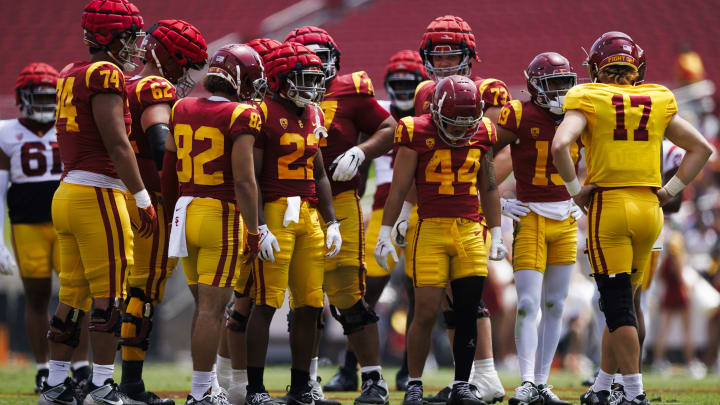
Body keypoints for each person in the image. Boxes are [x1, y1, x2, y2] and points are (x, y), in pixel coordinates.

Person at [551, 31, 713, 405]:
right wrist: (671, 192)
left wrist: (576, 189)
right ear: (635, 67)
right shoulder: (657, 98)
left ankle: (634, 394)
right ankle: (604, 386)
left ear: (596, 68)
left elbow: (561, 144)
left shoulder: (588, 96)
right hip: (650, 211)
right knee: (622, 302)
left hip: (609, 208)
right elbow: (701, 148)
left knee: (618, 305)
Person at [41, 0, 158, 404]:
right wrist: (142, 197)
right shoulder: (105, 73)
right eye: (128, 37)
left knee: (71, 297)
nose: (134, 45)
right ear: (109, 37)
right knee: (109, 298)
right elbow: (118, 144)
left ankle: (56, 385)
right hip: (98, 193)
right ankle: (102, 386)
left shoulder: (70, 73)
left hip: (68, 191)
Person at [283, 26, 396, 405]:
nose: (315, 66)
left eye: (321, 56)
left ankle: (373, 379)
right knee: (305, 298)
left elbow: (389, 128)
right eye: (306, 57)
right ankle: (306, 382)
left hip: (343, 201)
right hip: (294, 203)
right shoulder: (278, 94)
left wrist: (362, 151)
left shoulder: (351, 91)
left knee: (349, 294)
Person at [375, 74, 504, 405]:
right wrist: (387, 230)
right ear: (435, 111)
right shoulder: (414, 130)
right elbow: (400, 186)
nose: (461, 131)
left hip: (470, 229)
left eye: (467, 124)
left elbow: (489, 185)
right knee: (426, 311)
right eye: (453, 123)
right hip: (430, 227)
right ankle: (415, 383)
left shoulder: (484, 131)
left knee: (466, 311)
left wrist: (498, 230)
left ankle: (462, 384)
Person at [407, 15, 508, 404]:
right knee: (443, 297)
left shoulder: (489, 91)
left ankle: (484, 374)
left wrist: (478, 203)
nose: (445, 63)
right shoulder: (423, 93)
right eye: (438, 56)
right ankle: (470, 377)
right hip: (433, 209)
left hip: (469, 209)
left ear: (470, 56)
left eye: (452, 56)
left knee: (467, 296)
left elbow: (496, 154)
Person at [162, 43, 261, 405]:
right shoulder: (241, 115)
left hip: (185, 210)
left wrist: (171, 215)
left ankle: (206, 385)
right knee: (211, 309)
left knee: (203, 306)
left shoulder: (181, 107)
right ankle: (202, 391)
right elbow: (245, 181)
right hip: (220, 212)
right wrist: (254, 229)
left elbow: (168, 169)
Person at [243, 41, 341, 405]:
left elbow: (320, 174)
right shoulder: (259, 112)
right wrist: (258, 226)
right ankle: (255, 389)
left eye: (317, 79)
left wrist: (332, 221)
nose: (313, 87)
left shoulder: (314, 114)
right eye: (304, 79)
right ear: (280, 79)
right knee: (266, 301)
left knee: (312, 303)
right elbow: (250, 176)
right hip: (274, 210)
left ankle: (301, 387)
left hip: (309, 214)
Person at [121, 19, 208, 405]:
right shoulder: (155, 87)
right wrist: (174, 184)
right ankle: (130, 384)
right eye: (182, 63)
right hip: (148, 200)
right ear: (164, 56)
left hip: (120, 194)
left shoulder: (123, 85)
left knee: (122, 289)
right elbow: (159, 138)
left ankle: (103, 379)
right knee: (142, 290)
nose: (184, 73)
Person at [493, 51, 582, 405]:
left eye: (565, 83)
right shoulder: (517, 114)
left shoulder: (580, 113)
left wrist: (581, 197)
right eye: (553, 84)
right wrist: (497, 202)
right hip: (530, 216)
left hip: (566, 219)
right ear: (534, 86)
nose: (561, 90)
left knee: (557, 304)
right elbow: (482, 155)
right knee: (528, 303)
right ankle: (527, 381)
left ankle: (543, 383)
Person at [0, 62, 91, 394]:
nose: (43, 105)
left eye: (49, 98)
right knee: (37, 298)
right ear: (22, 98)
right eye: (37, 99)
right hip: (27, 226)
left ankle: (80, 367)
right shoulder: (5, 131)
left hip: (66, 223)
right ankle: (42, 369)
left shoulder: (70, 126)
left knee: (77, 295)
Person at [213, 37, 280, 405]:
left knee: (243, 302)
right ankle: (230, 381)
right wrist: (258, 223)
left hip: (257, 209)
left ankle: (231, 381)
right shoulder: (248, 111)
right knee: (238, 302)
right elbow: (246, 175)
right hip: (243, 211)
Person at [366, 50, 428, 391]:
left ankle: (409, 370)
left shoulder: (431, 110)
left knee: (419, 290)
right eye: (398, 83)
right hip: (381, 207)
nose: (403, 91)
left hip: (423, 205)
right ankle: (355, 366)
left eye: (410, 84)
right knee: (366, 291)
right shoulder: (378, 112)